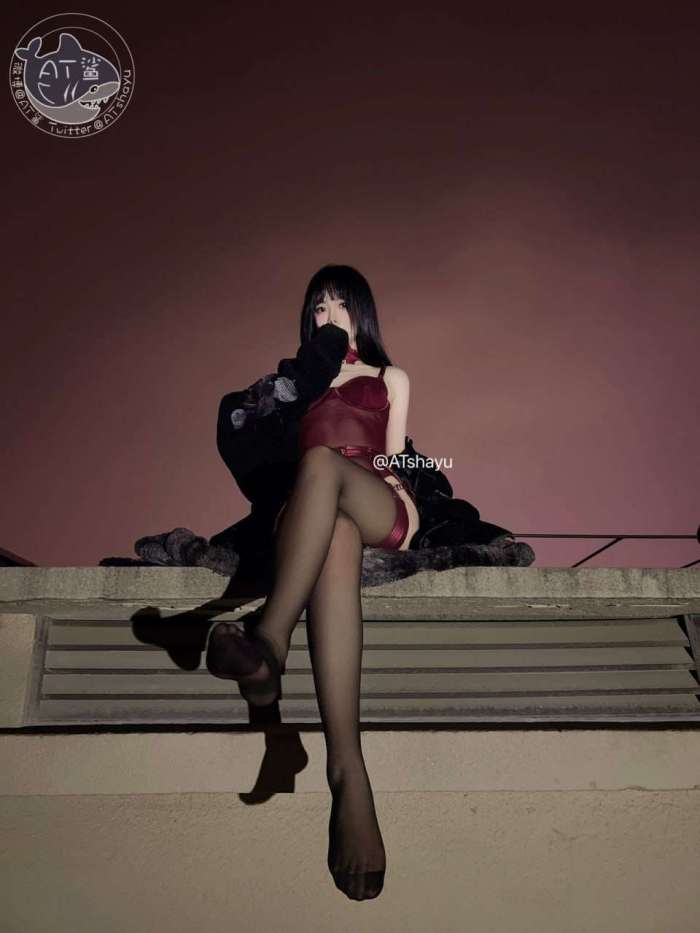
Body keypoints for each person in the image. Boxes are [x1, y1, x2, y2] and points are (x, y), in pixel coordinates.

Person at [205, 264, 420, 900]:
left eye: (340, 304)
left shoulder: (390, 376)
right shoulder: (294, 386)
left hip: (375, 494)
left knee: (329, 470)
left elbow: (396, 454)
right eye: (318, 307)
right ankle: (348, 777)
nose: (329, 315)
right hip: (313, 508)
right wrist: (305, 377)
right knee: (334, 532)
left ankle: (269, 643)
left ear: (362, 312)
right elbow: (253, 436)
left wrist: (408, 480)